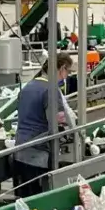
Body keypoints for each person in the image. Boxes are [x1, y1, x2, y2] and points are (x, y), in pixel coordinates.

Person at [12, 54, 76, 196]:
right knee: (38, 201)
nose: (67, 76)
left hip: (20, 151)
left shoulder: (28, 87)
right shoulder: (51, 90)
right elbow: (59, 122)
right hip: (38, 155)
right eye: (68, 71)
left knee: (23, 200)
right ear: (62, 69)